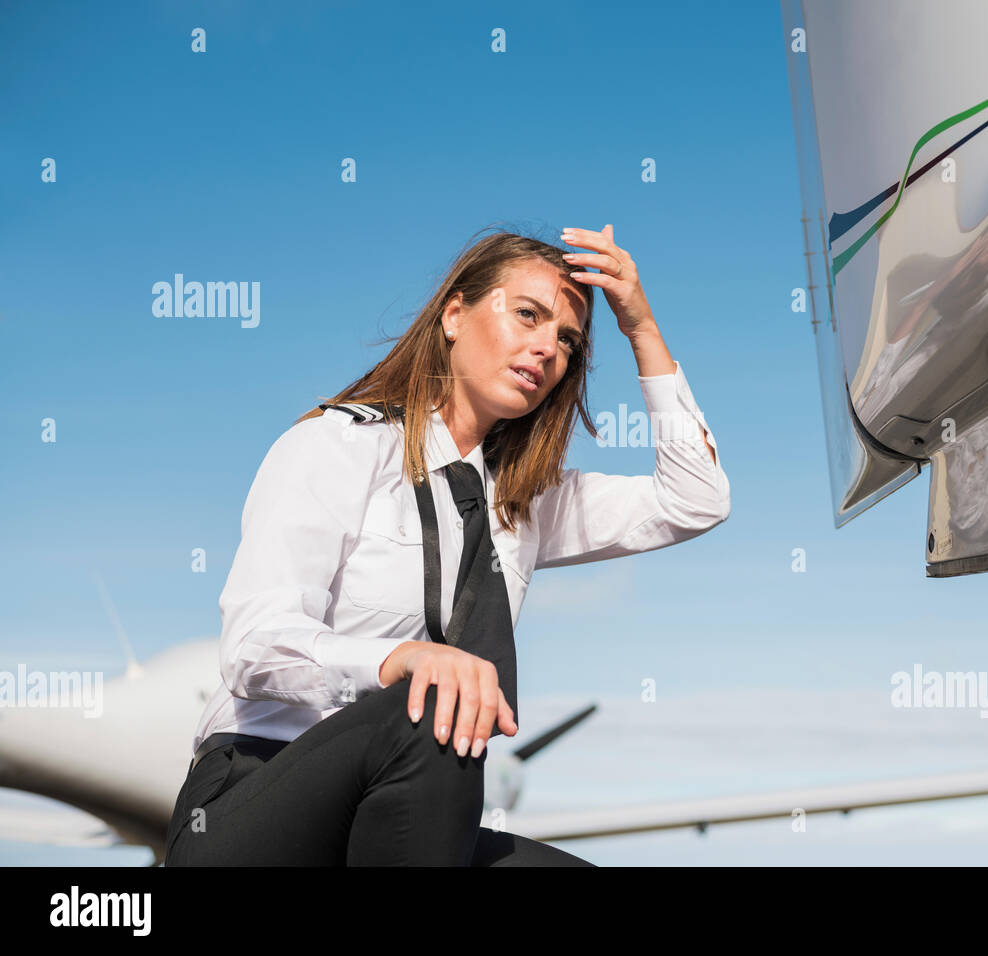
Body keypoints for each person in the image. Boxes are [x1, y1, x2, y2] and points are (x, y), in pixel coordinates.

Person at [163, 225, 731, 866]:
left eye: (567, 340)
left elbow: (696, 498)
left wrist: (641, 329)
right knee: (431, 707)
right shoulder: (339, 446)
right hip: (257, 805)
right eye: (527, 315)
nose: (547, 348)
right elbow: (253, 646)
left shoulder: (524, 502)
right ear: (455, 314)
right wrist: (399, 660)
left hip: (402, 822)